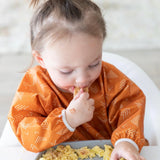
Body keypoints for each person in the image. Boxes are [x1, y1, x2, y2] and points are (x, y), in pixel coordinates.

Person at [8, 0, 148, 159]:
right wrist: (67, 120)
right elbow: (27, 136)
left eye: (94, 64)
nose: (82, 80)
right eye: (66, 71)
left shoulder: (111, 80)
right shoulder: (34, 86)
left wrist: (126, 141)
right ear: (41, 60)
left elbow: (131, 106)